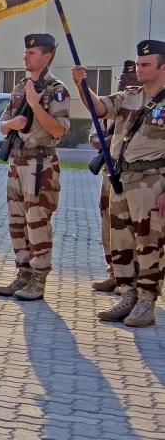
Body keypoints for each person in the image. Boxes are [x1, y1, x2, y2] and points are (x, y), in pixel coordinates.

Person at [73, 40, 165, 327]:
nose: (139, 68)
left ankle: (147, 301)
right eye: (138, 63)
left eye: (146, 64)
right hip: (121, 180)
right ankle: (127, 295)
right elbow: (98, 107)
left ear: (163, 67)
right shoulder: (128, 97)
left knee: (149, 243)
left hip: (152, 181)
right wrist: (81, 84)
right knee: (121, 241)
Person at [0, 34, 70, 301]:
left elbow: (58, 129)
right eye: (26, 52)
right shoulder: (20, 87)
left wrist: (36, 105)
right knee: (17, 222)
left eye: (33, 52)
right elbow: (2, 123)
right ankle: (23, 273)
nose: (26, 56)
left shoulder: (55, 90)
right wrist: (10, 125)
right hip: (17, 161)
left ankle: (39, 279)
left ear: (47, 57)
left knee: (37, 222)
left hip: (41, 164)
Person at [89, 61, 138, 292]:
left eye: (128, 81)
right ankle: (114, 272)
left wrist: (115, 140)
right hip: (110, 172)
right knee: (109, 224)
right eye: (121, 81)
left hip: (135, 177)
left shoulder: (143, 108)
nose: (123, 84)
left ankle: (132, 277)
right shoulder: (113, 105)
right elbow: (94, 138)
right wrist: (111, 140)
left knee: (133, 227)